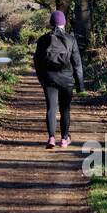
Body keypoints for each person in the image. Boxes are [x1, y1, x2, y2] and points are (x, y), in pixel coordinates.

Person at [32, 9, 84, 149]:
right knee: (65, 109)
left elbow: (37, 62)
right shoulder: (71, 39)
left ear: (51, 23)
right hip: (66, 79)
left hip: (49, 79)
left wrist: (41, 79)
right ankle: (65, 139)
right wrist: (80, 85)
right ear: (64, 23)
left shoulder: (43, 39)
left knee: (51, 109)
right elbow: (77, 63)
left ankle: (51, 138)